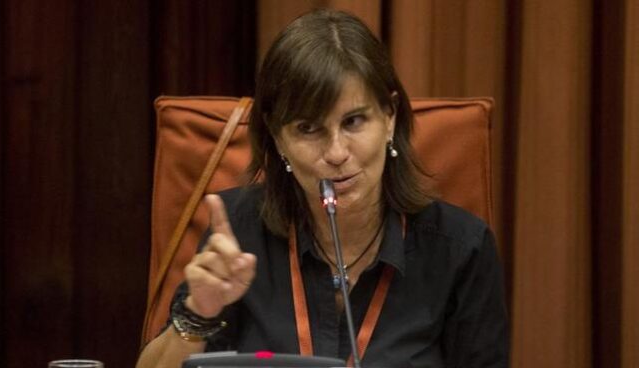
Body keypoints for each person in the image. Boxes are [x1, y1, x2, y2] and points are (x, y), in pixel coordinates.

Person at [137, 8, 508, 368]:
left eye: (354, 121)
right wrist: (199, 314)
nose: (336, 153)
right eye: (307, 129)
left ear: (390, 118)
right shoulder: (238, 232)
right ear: (278, 139)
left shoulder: (461, 250)